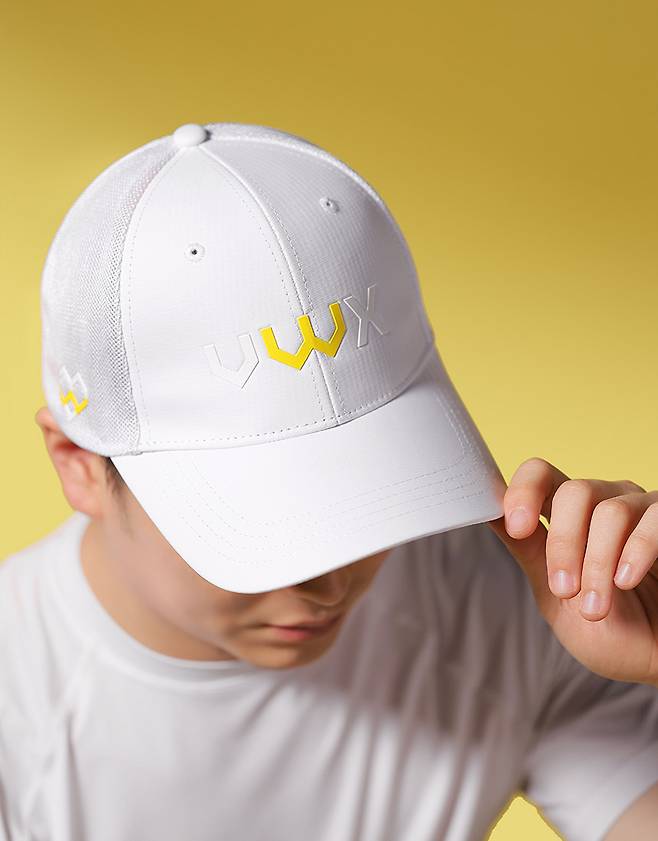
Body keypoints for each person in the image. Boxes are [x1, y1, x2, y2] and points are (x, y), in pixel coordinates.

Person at [1, 122, 657, 841]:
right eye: (260, 520)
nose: (331, 583)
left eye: (369, 486)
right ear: (78, 465)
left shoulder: (526, 602)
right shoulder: (17, 713)